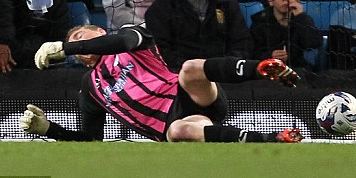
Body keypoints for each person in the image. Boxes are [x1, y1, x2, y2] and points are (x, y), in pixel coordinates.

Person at [20, 23, 303, 143]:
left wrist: (65, 47)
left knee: (191, 69)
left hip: (190, 94)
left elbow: (121, 41)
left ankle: (263, 67)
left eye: (82, 37)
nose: (78, 44)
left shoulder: (129, 38)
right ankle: (271, 139)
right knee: (180, 130)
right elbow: (92, 140)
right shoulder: (91, 87)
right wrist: (49, 129)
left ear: (99, 31)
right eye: (74, 44)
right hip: (174, 123)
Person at [249, 0, 322, 71]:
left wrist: (301, 17)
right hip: (269, 72)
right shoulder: (259, 22)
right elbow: (251, 54)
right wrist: (270, 56)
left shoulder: (303, 20)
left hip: (298, 70)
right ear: (270, 0)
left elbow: (314, 44)